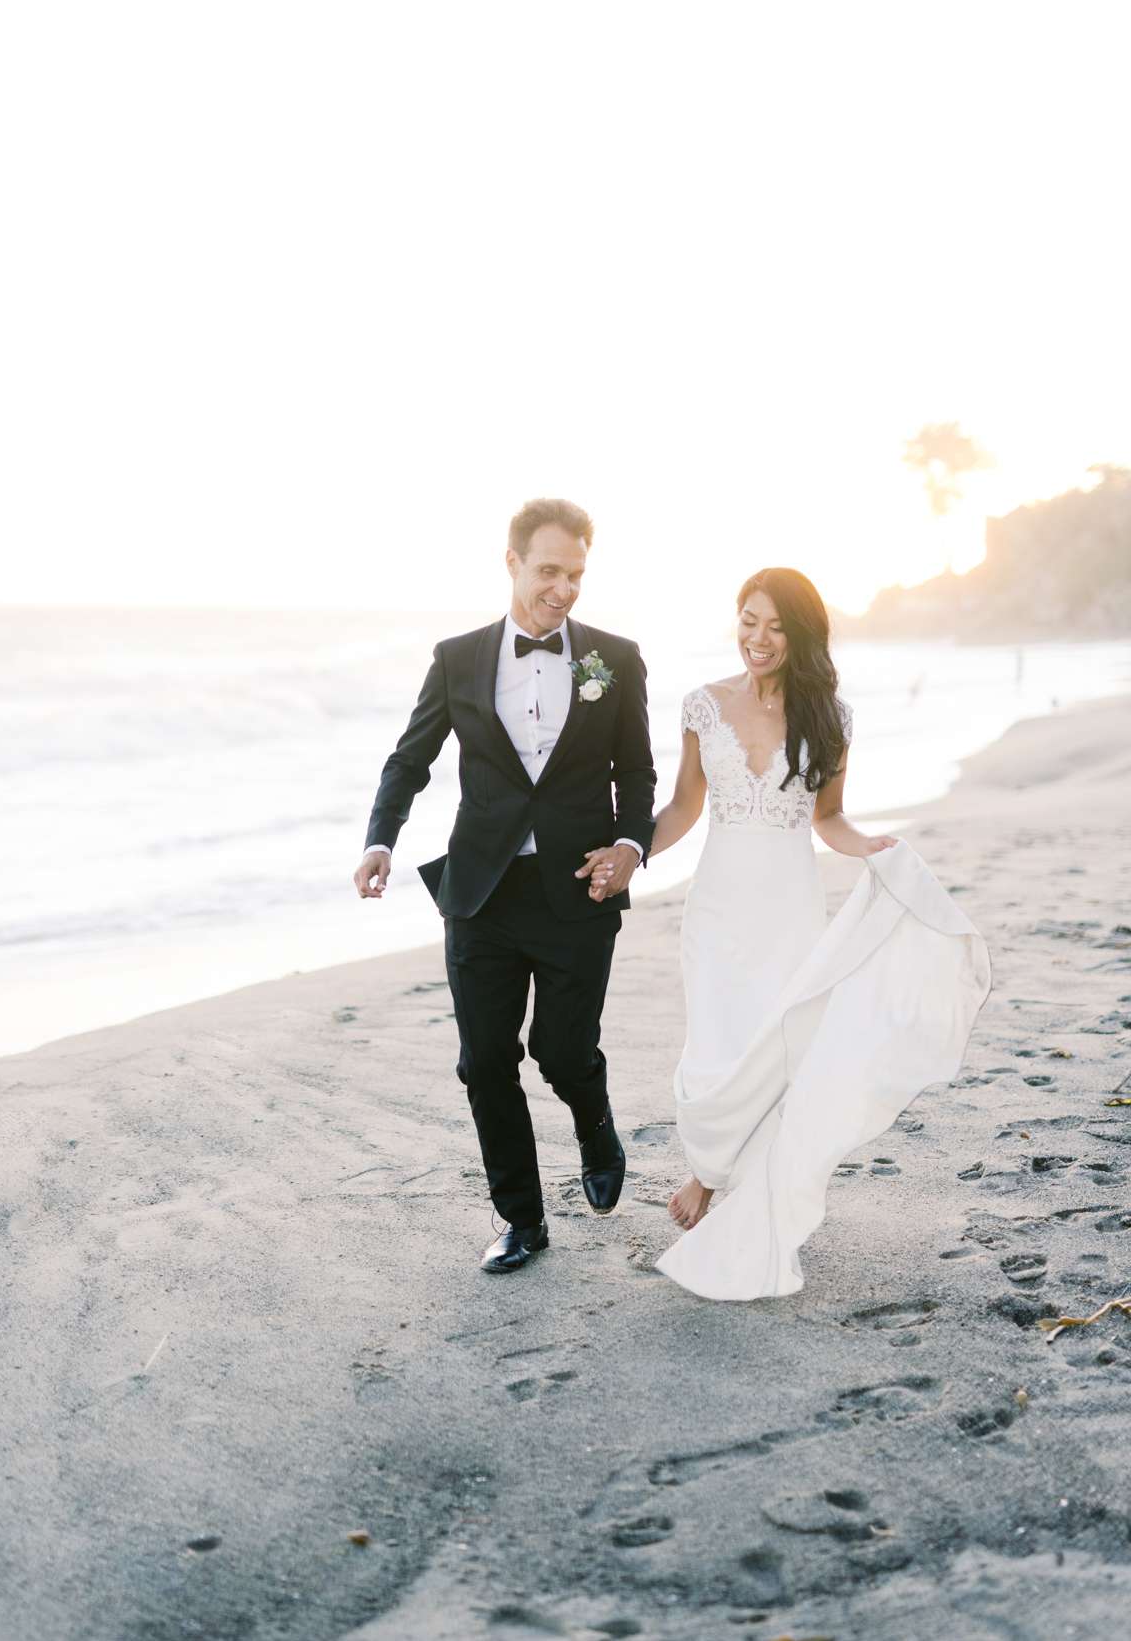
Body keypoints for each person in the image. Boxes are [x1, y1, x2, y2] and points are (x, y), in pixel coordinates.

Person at [613, 567, 989, 1302]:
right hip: (718, 907)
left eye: (776, 626)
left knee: (780, 1043)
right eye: (748, 620)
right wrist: (631, 855)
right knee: (719, 1045)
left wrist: (873, 849)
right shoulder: (702, 706)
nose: (758, 637)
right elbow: (686, 807)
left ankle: (719, 1182)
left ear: (801, 634)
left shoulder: (831, 717)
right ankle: (714, 1169)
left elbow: (828, 819)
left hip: (789, 906)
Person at [354, 499, 656, 1275]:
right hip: (481, 893)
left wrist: (629, 846)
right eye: (549, 570)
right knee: (485, 1060)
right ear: (513, 562)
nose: (563, 588)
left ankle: (595, 1123)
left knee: (561, 1051)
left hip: (578, 892)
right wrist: (380, 839)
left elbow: (638, 774)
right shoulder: (457, 658)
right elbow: (409, 758)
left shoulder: (614, 659)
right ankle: (520, 1217)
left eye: (576, 574)